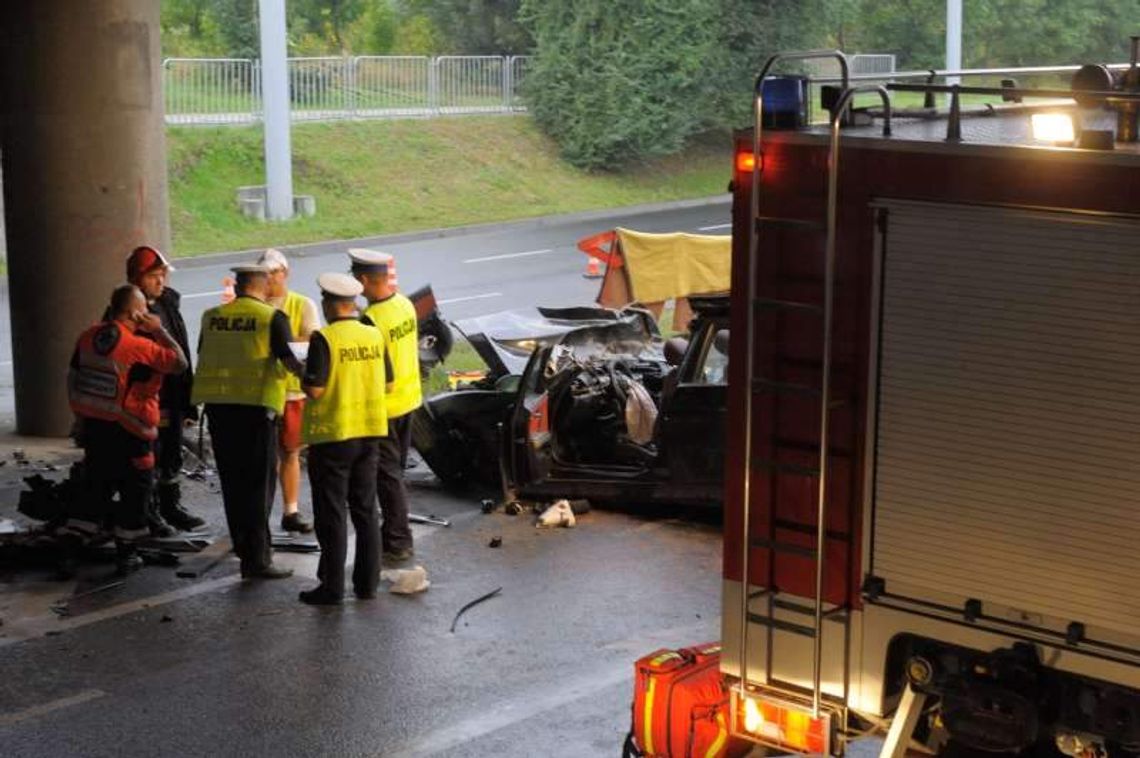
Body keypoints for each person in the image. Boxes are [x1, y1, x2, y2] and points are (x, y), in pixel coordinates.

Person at [63, 285, 188, 575]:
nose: (148, 313)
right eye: (144, 309)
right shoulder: (139, 346)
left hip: (95, 428)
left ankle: (69, 551)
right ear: (135, 313)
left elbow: (73, 377)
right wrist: (159, 330)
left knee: (94, 490)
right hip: (131, 433)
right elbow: (179, 363)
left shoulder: (88, 337)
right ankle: (127, 554)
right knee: (135, 494)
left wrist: (79, 420)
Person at [191, 264, 303, 580]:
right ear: (262, 285)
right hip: (256, 412)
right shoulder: (272, 317)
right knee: (257, 488)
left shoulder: (212, 316)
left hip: (219, 410)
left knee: (233, 486)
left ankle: (244, 549)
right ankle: (257, 560)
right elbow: (291, 362)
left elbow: (205, 353)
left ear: (239, 286)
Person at [297, 273, 389, 605]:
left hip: (334, 436)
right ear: (353, 304)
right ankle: (367, 585)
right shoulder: (373, 334)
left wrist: (300, 370)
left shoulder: (325, 338)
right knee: (366, 510)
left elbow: (315, 389)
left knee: (332, 512)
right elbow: (389, 383)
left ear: (328, 304)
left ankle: (332, 587)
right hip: (370, 432)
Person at [123, 245, 205, 536]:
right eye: (153, 276)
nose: (160, 281)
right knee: (150, 456)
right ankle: (151, 512)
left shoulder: (168, 304)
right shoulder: (128, 311)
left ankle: (171, 506)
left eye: (162, 275)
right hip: (147, 398)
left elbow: (181, 350)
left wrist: (187, 400)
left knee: (171, 451)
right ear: (136, 277)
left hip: (172, 393)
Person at [349, 249, 421, 565]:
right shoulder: (404, 304)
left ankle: (397, 540)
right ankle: (393, 532)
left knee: (387, 477)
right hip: (409, 400)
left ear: (364, 280)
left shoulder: (371, 319)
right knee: (395, 473)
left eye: (355, 277)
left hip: (386, 409)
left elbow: (367, 369)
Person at [257, 248, 319, 534]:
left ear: (286, 273)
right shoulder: (254, 306)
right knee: (264, 456)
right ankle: (261, 513)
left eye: (274, 272)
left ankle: (290, 511)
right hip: (261, 392)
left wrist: (283, 342)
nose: (269, 278)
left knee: (290, 452)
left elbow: (312, 340)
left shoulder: (301, 304)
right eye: (265, 273)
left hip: (292, 393)